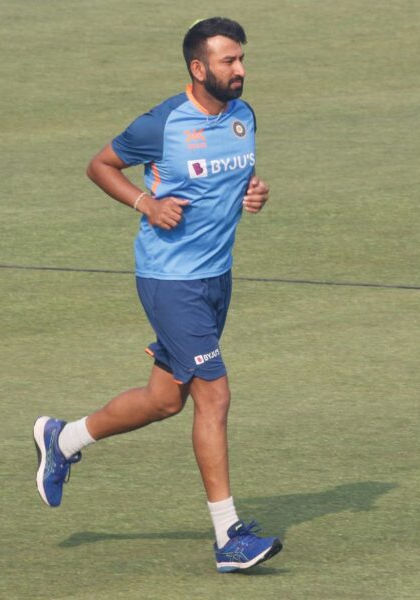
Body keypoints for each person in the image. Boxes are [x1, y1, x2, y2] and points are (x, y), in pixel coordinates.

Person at [33, 17, 282, 573]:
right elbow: (100, 165)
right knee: (214, 397)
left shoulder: (242, 116)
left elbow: (235, 175)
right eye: (228, 61)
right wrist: (146, 203)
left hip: (216, 277)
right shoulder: (162, 124)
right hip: (171, 281)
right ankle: (229, 537)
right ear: (198, 67)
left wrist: (254, 192)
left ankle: (62, 439)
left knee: (166, 400)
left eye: (241, 59)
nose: (240, 69)